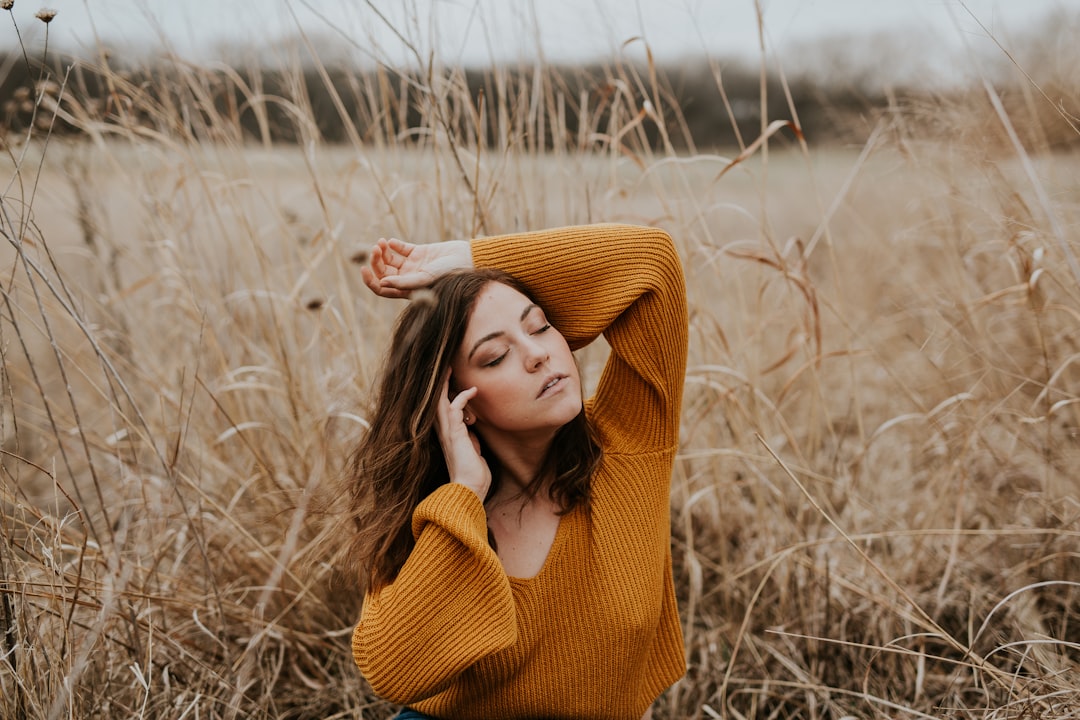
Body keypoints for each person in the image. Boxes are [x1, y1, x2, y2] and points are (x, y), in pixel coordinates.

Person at [346, 224, 689, 719]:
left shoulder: (630, 446)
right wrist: (465, 492)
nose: (538, 354)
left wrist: (459, 258)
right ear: (457, 402)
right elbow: (392, 670)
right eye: (496, 356)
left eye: (541, 325)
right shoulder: (437, 512)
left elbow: (652, 261)